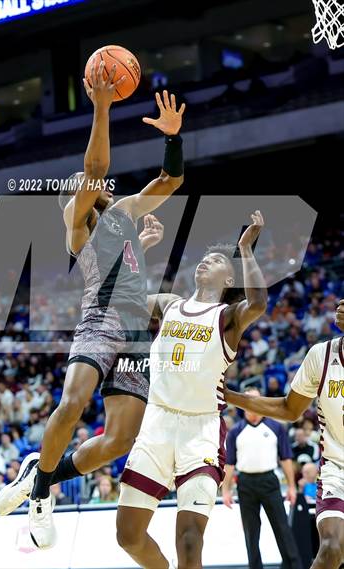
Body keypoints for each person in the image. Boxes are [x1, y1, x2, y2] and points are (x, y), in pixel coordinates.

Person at [0, 59, 185, 550]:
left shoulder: (122, 216)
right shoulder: (78, 227)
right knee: (73, 401)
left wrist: (172, 138)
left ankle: (42, 474)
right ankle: (40, 495)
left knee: (121, 440)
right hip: (100, 323)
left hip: (138, 332)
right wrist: (101, 107)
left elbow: (170, 181)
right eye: (80, 190)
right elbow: (96, 168)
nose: (88, 189)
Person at [115, 212, 268, 569]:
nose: (205, 262)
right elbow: (122, 297)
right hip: (156, 424)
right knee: (128, 536)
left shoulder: (227, 316)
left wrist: (245, 248)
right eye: (204, 258)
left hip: (199, 430)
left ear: (229, 277)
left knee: (189, 539)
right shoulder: (170, 304)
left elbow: (258, 304)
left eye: (216, 260)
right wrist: (139, 247)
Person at [225, 299, 344, 569]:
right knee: (332, 547)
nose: (341, 303)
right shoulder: (321, 355)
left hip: (267, 481)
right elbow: (290, 409)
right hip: (337, 470)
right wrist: (230, 395)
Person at [222, 387, 302, 569]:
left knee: (282, 529)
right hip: (245, 484)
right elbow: (229, 464)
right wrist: (225, 490)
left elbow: (286, 458)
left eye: (257, 399)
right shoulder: (235, 432)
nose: (254, 404)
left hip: (270, 482)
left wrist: (291, 487)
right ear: (242, 404)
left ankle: (294, 566)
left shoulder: (275, 427)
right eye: (249, 400)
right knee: (251, 534)